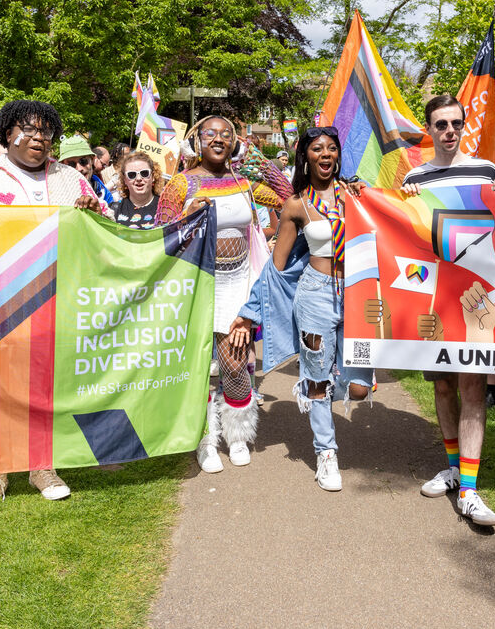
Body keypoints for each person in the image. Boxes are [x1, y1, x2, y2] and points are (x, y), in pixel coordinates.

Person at [0, 99, 104, 512]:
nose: (39, 139)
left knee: (43, 385)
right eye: (28, 130)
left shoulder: (72, 180)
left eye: (46, 132)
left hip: (58, 301)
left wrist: (93, 214)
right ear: (7, 134)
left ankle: (40, 466)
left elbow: (106, 232)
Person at [229, 126, 372, 490]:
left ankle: (317, 386)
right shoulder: (297, 205)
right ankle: (326, 454)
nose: (325, 154)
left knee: (358, 387)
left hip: (357, 295)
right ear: (305, 157)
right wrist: (249, 313)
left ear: (338, 155)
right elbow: (275, 271)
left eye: (332, 148)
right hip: (315, 295)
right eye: (317, 149)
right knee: (318, 376)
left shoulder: (357, 195)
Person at [156, 115, 292, 473]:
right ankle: (205, 440)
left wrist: (258, 160)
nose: (218, 139)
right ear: (196, 140)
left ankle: (237, 435)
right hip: (197, 287)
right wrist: (185, 215)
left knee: (234, 363)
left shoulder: (242, 182)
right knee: (198, 369)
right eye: (210, 134)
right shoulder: (181, 184)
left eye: (226, 135)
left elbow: (288, 198)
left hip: (238, 287)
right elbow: (159, 235)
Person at [393, 94, 495, 527]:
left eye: (456, 123)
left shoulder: (486, 170)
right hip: (436, 297)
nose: (450, 131)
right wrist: (403, 200)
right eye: (441, 125)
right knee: (443, 389)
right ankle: (455, 468)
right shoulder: (416, 176)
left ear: (464, 125)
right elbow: (403, 232)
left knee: (473, 389)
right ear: (430, 129)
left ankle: (472, 490)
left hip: (476, 296)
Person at [113, 151, 161, 229]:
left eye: (144, 173)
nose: (138, 178)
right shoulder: (114, 210)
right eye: (132, 175)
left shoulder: (166, 207)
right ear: (125, 179)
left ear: (153, 176)